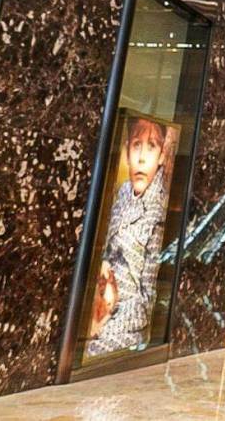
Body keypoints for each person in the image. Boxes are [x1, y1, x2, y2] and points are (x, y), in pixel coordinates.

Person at [87, 116, 172, 357]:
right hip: (97, 307)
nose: (142, 157)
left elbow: (147, 295)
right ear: (126, 151)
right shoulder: (122, 193)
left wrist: (104, 327)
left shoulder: (157, 212)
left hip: (124, 323)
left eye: (151, 146)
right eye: (136, 145)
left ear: (162, 156)